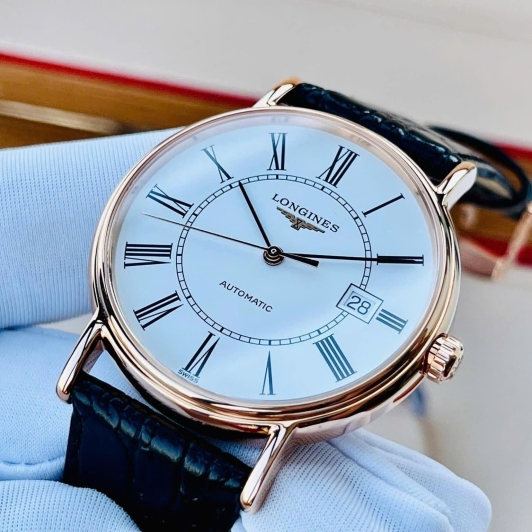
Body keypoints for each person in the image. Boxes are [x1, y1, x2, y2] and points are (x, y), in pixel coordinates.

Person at [0, 130, 491, 531]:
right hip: (139, 383)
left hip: (242, 431)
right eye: (270, 251)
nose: (272, 254)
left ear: (435, 355)